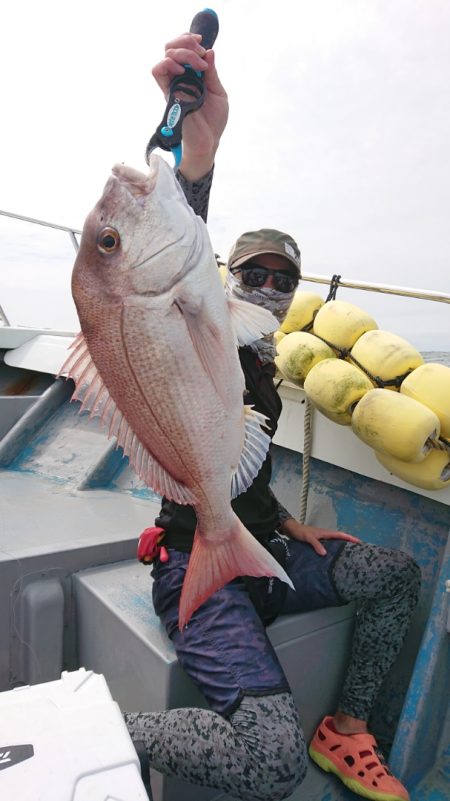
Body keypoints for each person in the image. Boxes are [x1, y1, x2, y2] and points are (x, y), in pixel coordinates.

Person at [124, 32, 421, 801]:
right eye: (251, 270)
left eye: (281, 278)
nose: (265, 284)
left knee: (393, 574)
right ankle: (103, 726)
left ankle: (347, 726)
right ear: (225, 272)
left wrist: (288, 526)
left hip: (257, 545)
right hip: (196, 564)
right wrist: (199, 151)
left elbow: (244, 464)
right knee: (268, 760)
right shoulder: (203, 322)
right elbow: (166, 258)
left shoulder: (264, 361)